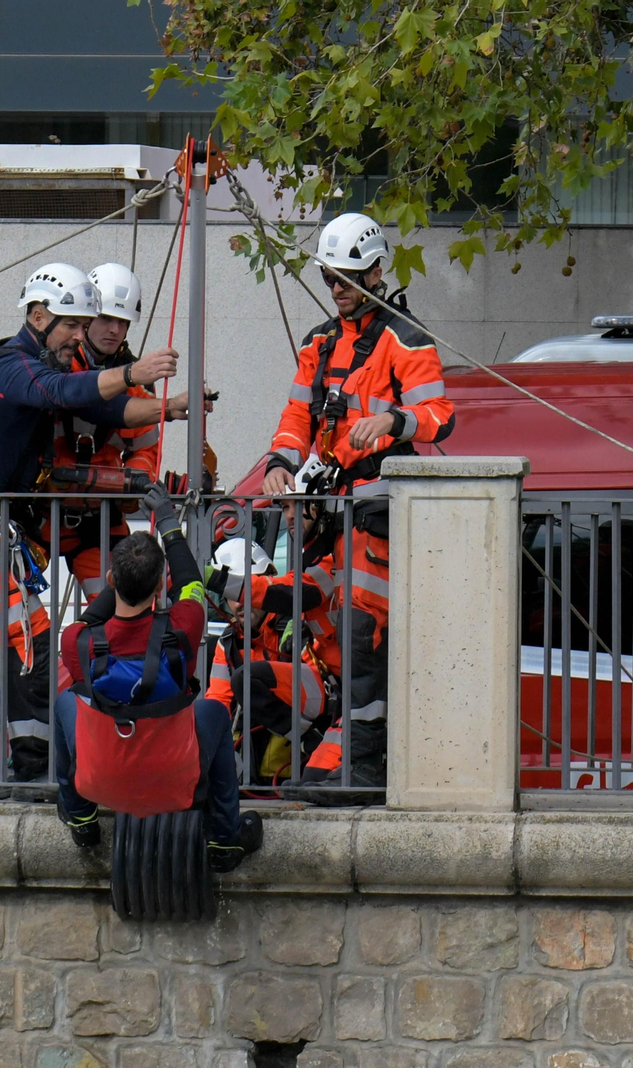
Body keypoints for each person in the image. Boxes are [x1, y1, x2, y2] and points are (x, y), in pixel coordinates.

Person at [0, 263, 183, 797]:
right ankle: (33, 765)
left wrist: (168, 408)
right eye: (71, 325)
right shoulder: (12, 366)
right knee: (33, 640)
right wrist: (137, 373)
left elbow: (106, 406)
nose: (79, 336)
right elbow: (66, 391)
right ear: (39, 316)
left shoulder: (23, 361)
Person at [258, 212, 454, 798]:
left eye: (346, 277)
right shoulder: (317, 342)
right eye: (329, 278)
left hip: (374, 506)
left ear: (374, 269)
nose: (338, 288)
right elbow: (297, 417)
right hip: (325, 506)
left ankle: (367, 764)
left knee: (365, 628)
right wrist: (278, 465)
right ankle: (334, 750)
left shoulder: (405, 338)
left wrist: (391, 421)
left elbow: (440, 418)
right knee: (322, 624)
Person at [53, 484, 264, 872]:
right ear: (159, 587)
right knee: (213, 713)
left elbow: (95, 616)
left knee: (66, 702)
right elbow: (191, 584)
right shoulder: (184, 628)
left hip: (102, 780)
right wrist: (167, 521)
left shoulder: (77, 641)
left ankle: (81, 820)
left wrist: (119, 579)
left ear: (109, 578)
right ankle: (224, 839)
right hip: (173, 781)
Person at [42, 263, 161, 599]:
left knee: (118, 604)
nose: (114, 329)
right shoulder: (57, 362)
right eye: (106, 319)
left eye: (122, 323)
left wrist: (133, 485)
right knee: (16, 607)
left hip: (98, 515)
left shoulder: (138, 381)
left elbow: (145, 449)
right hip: (40, 511)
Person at [203, 538, 328, 789]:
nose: (238, 603)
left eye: (243, 591)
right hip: (251, 772)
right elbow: (217, 705)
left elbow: (315, 695)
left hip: (300, 760)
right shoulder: (227, 644)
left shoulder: (296, 626)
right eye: (230, 596)